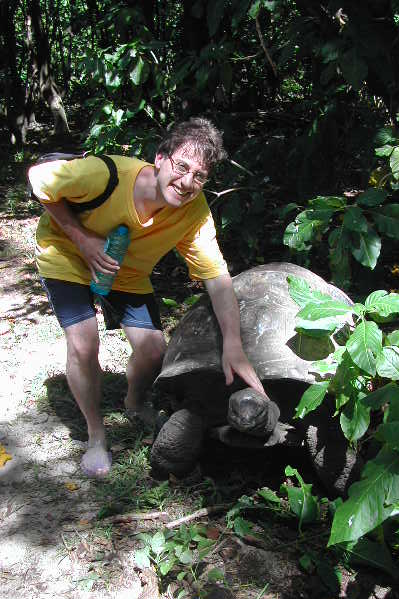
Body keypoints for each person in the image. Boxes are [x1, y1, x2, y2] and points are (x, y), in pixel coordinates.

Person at [28, 117, 265, 478]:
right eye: (181, 166)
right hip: (67, 254)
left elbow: (217, 278)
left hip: (127, 272)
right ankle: (95, 435)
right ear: (160, 158)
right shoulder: (105, 175)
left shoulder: (194, 211)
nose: (187, 182)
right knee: (83, 342)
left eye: (199, 175)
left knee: (154, 350)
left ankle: (134, 403)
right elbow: (37, 178)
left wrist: (233, 344)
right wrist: (82, 240)